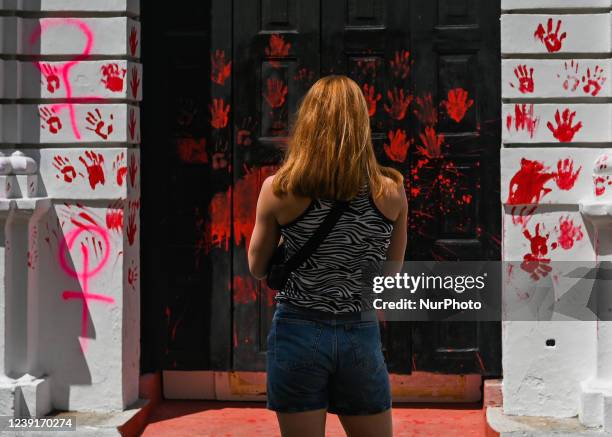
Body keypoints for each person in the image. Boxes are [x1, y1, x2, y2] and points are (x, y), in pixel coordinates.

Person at [247, 74, 407, 437]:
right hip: (359, 331)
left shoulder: (279, 189)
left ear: (308, 122)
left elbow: (257, 268)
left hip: (297, 330)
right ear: (362, 124)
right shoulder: (391, 191)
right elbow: (391, 272)